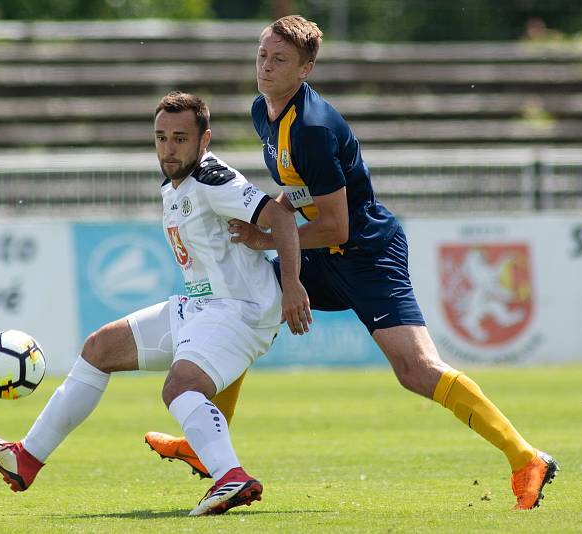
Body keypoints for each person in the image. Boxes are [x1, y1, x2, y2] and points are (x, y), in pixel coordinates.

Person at [144, 15, 558, 511]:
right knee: (249, 309)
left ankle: (525, 458)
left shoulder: (314, 129)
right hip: (321, 249)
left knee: (416, 369)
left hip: (365, 252)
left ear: (306, 68)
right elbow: (297, 191)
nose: (266, 67)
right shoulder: (264, 111)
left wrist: (269, 242)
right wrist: (272, 228)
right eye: (262, 55)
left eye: (280, 60)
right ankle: (203, 442)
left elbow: (336, 226)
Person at [0, 91, 312, 516]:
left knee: (179, 388)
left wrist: (293, 284)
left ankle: (231, 476)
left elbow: (279, 217)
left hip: (240, 310)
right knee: (98, 349)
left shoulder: (213, 179)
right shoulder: (177, 183)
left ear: (204, 141)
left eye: (180, 139)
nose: (169, 148)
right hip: (200, 306)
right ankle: (27, 457)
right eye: (162, 137)